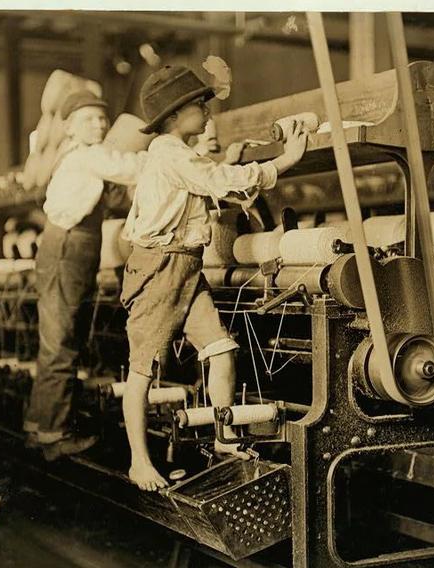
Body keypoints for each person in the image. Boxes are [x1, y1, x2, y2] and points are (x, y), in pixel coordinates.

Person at [120, 65, 308, 491]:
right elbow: (221, 181)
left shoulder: (179, 154)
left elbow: (218, 178)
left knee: (221, 349)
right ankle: (138, 461)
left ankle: (224, 438)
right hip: (159, 268)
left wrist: (242, 164)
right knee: (143, 371)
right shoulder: (170, 153)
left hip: (186, 266)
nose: (207, 112)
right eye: (198, 105)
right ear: (172, 117)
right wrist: (284, 161)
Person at [25, 90, 148, 461]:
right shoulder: (87, 155)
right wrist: (172, 152)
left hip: (66, 248)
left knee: (59, 340)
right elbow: (134, 168)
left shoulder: (74, 157)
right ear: (68, 127)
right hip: (69, 250)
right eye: (88, 119)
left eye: (101, 118)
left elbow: (111, 199)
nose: (98, 124)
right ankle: (55, 436)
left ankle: (41, 424)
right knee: (62, 341)